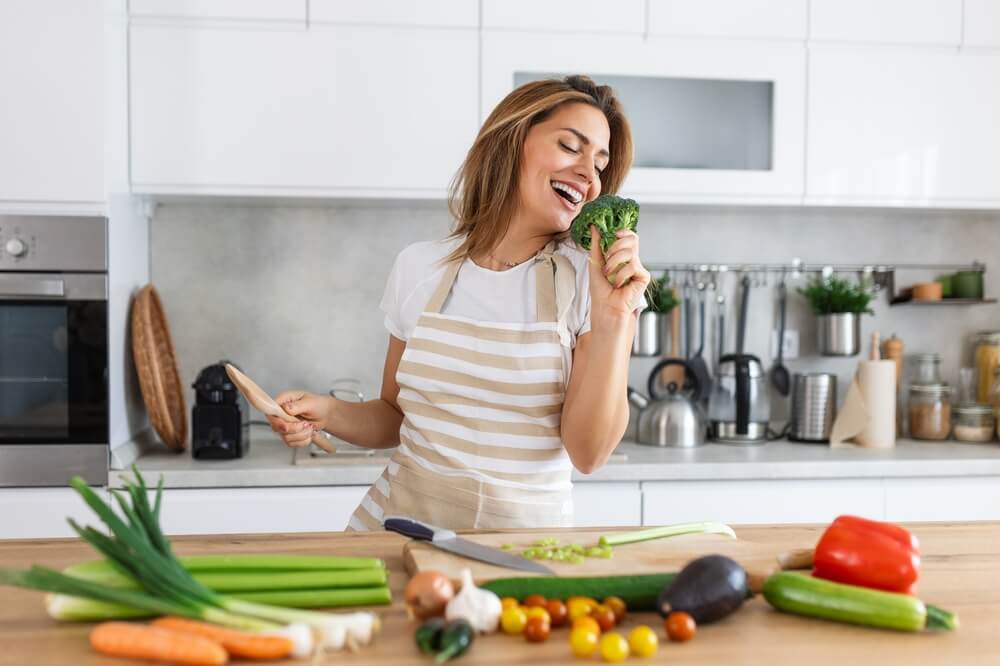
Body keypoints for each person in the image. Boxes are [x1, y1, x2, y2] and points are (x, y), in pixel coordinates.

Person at [268, 75, 650, 530]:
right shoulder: (419, 267)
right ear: (512, 141)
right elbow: (394, 417)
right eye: (571, 146)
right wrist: (328, 413)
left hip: (522, 552)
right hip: (398, 534)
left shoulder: (594, 283)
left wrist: (613, 321)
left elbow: (589, 454)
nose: (590, 175)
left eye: (601, 164)